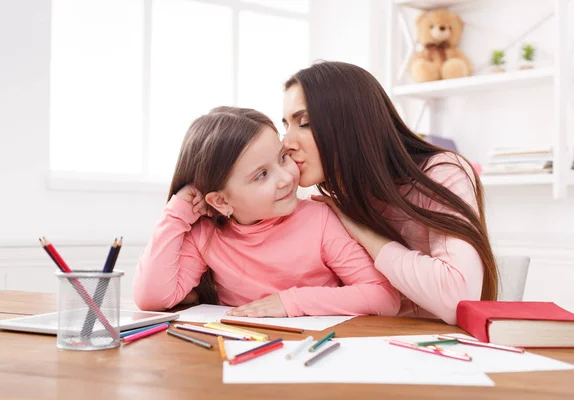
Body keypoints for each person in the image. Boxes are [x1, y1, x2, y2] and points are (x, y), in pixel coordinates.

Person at [280, 61, 498, 325]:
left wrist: (359, 229)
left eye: (304, 123)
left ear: (350, 123)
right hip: (366, 342)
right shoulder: (336, 197)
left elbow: (459, 298)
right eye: (286, 126)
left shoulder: (442, 173)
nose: (286, 143)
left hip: (437, 348)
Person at [133, 106, 400, 318]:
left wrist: (290, 302)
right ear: (222, 202)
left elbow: (384, 296)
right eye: (261, 175)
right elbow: (152, 298)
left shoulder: (320, 220)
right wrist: (177, 212)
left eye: (282, 157)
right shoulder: (206, 234)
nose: (285, 178)